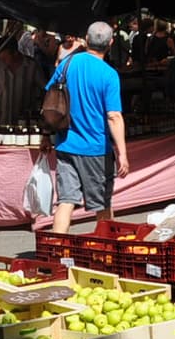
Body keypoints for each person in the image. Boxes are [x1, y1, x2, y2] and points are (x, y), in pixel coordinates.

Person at [44, 22, 128, 234]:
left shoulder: (66, 63)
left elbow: (49, 100)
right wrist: (123, 153)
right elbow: (114, 116)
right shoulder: (109, 74)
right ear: (110, 43)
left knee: (66, 201)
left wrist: (46, 135)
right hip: (96, 149)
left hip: (66, 144)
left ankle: (56, 249)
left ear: (87, 40)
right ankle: (107, 250)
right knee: (102, 206)